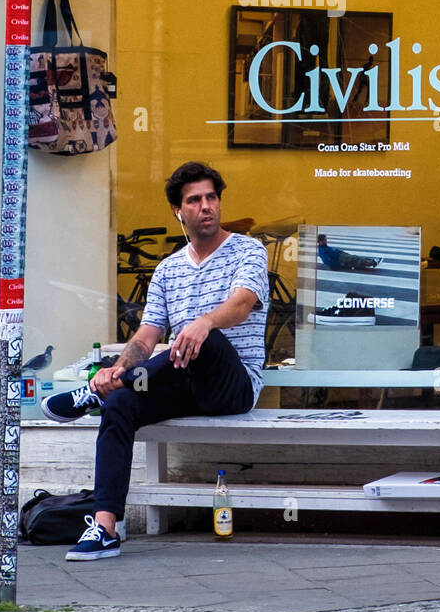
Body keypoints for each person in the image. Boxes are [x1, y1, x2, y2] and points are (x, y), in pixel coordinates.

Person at [42, 160, 269, 560]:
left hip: (232, 387)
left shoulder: (247, 250)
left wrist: (203, 322)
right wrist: (118, 370)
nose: (206, 207)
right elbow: (147, 338)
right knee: (120, 404)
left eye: (211, 198)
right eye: (195, 200)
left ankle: (94, 395)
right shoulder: (167, 270)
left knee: (208, 337)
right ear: (177, 211)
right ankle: (105, 527)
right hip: (179, 383)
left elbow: (242, 305)